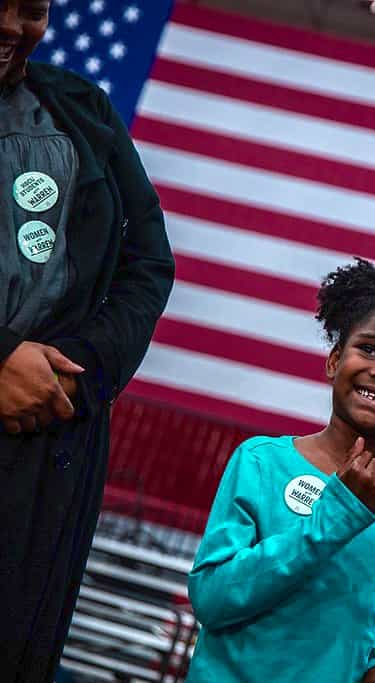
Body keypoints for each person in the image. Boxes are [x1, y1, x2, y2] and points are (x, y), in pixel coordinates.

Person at [185, 259, 375, 683]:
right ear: (334, 360)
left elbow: (366, 618)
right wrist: (341, 511)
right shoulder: (261, 462)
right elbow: (214, 598)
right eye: (369, 349)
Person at [0, 2, 175, 680]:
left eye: (34, 8)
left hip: (48, 443)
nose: (16, 26)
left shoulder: (81, 111)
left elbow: (148, 260)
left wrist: (77, 372)